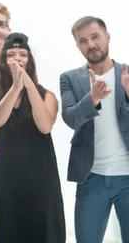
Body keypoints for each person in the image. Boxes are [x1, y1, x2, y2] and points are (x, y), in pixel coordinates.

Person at [60, 16, 129, 243]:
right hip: (91, 178)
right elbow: (70, 119)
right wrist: (92, 99)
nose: (90, 44)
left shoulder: (127, 75)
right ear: (78, 45)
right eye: (83, 41)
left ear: (107, 37)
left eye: (95, 37)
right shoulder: (70, 78)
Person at [0, 33, 65, 243]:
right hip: (5, 181)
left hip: (41, 182)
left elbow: (45, 126)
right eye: (11, 54)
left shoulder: (46, 95)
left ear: (30, 60)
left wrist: (28, 84)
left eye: (23, 54)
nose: (17, 58)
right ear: (2, 62)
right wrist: (16, 87)